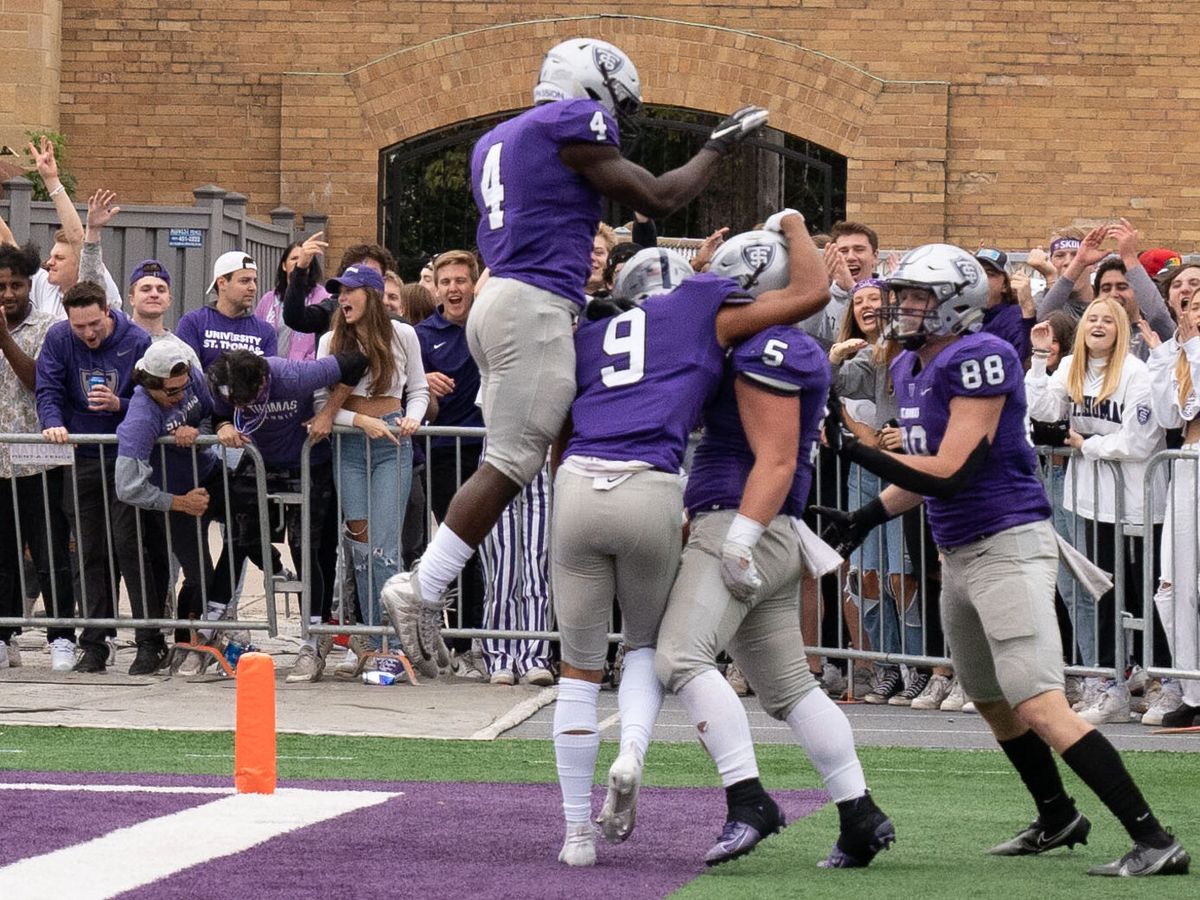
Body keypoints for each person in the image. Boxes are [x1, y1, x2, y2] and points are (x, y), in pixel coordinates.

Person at [386, 36, 770, 674]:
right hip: (533, 303)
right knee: (511, 460)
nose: (618, 119)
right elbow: (659, 197)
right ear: (589, 89)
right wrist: (717, 146)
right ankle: (425, 585)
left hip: (511, 299)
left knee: (551, 443)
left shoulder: (497, 138)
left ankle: (453, 580)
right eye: (616, 104)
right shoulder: (570, 119)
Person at [817, 243, 1188, 877]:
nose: (903, 308)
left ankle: (1155, 839)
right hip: (957, 548)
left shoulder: (979, 356)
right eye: (901, 294)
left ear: (955, 304)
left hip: (1006, 543)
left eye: (917, 297)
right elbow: (921, 471)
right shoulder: (909, 367)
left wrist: (855, 450)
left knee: (1039, 701)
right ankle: (1057, 815)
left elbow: (951, 471)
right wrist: (866, 516)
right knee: (989, 697)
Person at [552, 213, 838, 867]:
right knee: (649, 649)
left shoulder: (590, 333)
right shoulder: (698, 310)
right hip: (652, 487)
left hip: (575, 484)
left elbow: (558, 435)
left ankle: (574, 835)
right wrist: (794, 228)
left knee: (577, 670)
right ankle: (632, 752)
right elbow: (810, 294)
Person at [653, 221, 894, 870]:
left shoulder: (773, 349)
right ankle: (860, 814)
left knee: (679, 658)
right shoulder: (763, 344)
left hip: (745, 522)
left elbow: (778, 459)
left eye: (733, 292)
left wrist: (739, 538)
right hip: (760, 526)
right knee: (790, 689)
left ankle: (748, 799)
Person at [1025, 297, 1167, 724]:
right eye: (1093, 319)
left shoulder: (1136, 374)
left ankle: (1162, 681)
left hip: (1139, 500)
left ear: (1121, 329)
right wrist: (1037, 360)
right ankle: (1111, 686)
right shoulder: (1070, 365)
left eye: (1108, 319)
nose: (1099, 325)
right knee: (1102, 593)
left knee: (1146, 595)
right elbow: (1044, 411)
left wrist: (1086, 445)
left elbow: (1140, 441)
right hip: (1089, 500)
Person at [201, 347, 368, 680]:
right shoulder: (224, 381)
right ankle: (211, 623)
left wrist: (328, 412)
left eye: (249, 401)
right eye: (239, 405)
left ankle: (312, 639)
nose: (244, 408)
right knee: (238, 535)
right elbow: (218, 412)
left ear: (263, 381)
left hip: (307, 461)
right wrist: (222, 425)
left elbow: (356, 361)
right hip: (259, 459)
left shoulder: (293, 375)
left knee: (307, 546)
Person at [315, 264, 428, 680]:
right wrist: (361, 422)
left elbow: (418, 389)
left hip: (392, 446)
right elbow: (320, 407)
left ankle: (395, 644)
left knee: (385, 550)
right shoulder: (330, 340)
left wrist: (413, 417)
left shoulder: (404, 335)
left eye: (350, 290)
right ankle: (371, 636)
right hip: (349, 448)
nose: (342, 297)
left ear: (373, 294)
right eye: (338, 291)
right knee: (360, 552)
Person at [36, 281, 152, 673]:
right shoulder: (58, 339)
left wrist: (120, 403)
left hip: (126, 456)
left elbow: (153, 396)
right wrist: (52, 423)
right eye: (78, 326)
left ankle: (149, 640)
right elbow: (47, 388)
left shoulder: (136, 340)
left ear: (107, 311)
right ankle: (95, 643)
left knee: (130, 547)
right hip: (81, 455)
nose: (87, 333)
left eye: (93, 324)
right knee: (87, 551)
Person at [829, 277, 926, 705]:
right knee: (865, 575)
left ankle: (916, 666)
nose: (868, 306)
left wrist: (904, 435)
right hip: (864, 472)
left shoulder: (915, 350)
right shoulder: (868, 354)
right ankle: (888, 667)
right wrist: (832, 360)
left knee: (901, 576)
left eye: (877, 299)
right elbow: (842, 386)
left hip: (906, 470)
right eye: (860, 300)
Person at [115, 342, 220, 674]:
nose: (179, 394)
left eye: (183, 387)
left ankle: (273, 569)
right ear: (150, 385)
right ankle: (186, 642)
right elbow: (128, 487)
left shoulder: (191, 377)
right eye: (171, 392)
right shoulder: (142, 417)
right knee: (200, 575)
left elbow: (214, 413)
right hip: (176, 495)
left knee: (247, 536)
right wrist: (179, 503)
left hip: (209, 473)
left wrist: (200, 431)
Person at [0, 242, 75, 670]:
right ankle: (5, 633)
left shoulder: (49, 327)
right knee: (3, 556)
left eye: (17, 285)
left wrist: (6, 339)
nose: (9, 294)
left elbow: (37, 382)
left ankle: (61, 634)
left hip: (39, 459)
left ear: (31, 285)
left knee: (49, 553)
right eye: (1, 286)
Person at [1144, 295, 1200, 727]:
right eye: (1192, 304)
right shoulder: (1183, 354)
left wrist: (1191, 349)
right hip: (1186, 464)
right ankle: (1193, 688)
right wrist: (1166, 354)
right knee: (1170, 587)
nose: (1194, 311)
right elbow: (1170, 414)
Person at [176, 251, 276, 368]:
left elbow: (269, 379)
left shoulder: (265, 331)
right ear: (222, 283)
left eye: (254, 281)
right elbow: (187, 377)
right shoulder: (193, 323)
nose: (253, 287)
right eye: (244, 281)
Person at [255, 240, 329, 360]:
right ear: (284, 265)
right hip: (271, 371)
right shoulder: (268, 299)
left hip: (305, 373)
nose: (298, 262)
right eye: (294, 258)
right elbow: (256, 334)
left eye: (303, 259)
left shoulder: (323, 298)